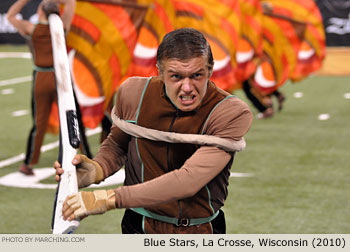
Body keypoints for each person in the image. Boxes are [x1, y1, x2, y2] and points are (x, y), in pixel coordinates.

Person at [55, 28, 253, 234]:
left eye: (196, 75)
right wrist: (97, 169)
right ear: (159, 70)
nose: (187, 87)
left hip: (198, 229)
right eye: (176, 76)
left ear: (210, 70)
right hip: (138, 224)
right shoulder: (134, 94)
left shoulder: (229, 112)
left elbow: (188, 180)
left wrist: (108, 198)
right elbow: (118, 144)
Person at [7, 0, 91, 175]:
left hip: (41, 77)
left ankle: (28, 163)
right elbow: (70, 3)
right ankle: (88, 157)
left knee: (39, 123)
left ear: (40, 11)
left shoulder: (32, 28)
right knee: (73, 119)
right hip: (61, 77)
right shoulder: (62, 26)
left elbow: (10, 16)